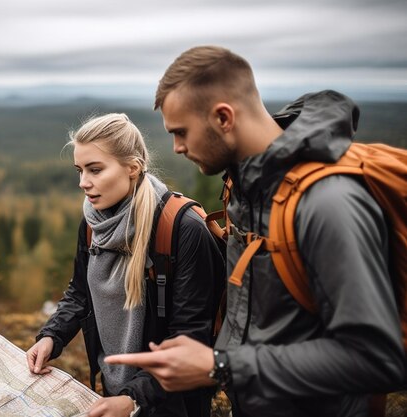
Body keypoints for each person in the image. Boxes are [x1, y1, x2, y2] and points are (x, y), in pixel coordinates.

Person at [105, 46, 405, 416]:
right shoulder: (246, 189)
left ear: (224, 118)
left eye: (181, 132)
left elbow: (376, 358)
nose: (177, 148)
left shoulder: (328, 203)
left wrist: (220, 366)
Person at [26, 113, 225, 417]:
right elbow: (80, 292)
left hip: (171, 402)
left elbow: (189, 337)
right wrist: (52, 336)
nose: (83, 183)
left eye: (95, 170)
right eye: (79, 170)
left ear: (132, 168)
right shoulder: (94, 222)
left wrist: (134, 399)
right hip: (115, 391)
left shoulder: (182, 229)